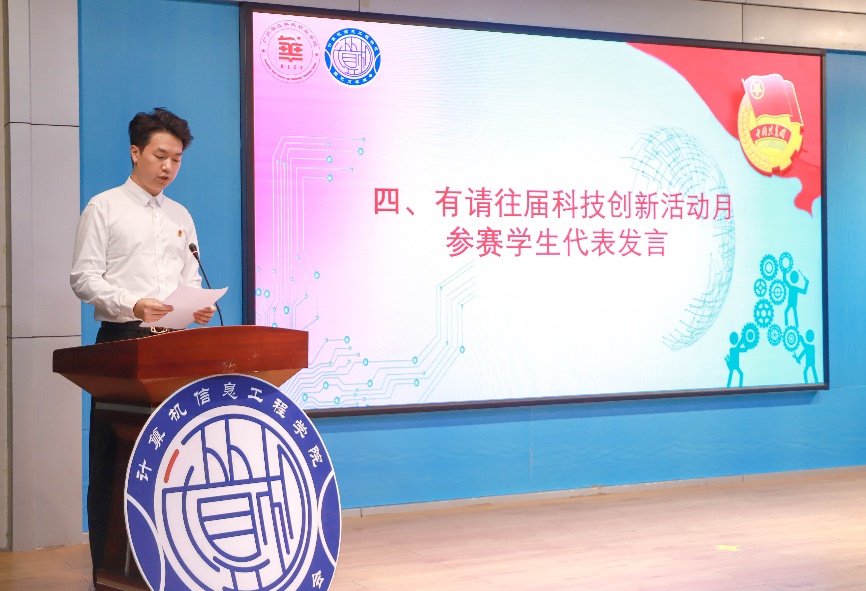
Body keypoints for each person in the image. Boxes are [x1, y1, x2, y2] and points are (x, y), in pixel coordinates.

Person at [70, 108, 215, 572]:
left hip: (172, 345)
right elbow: (83, 278)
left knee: (174, 454)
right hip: (122, 342)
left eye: (176, 159)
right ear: (136, 152)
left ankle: (172, 561)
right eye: (160, 156)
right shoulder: (104, 207)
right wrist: (132, 304)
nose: (168, 167)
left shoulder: (180, 215)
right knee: (117, 456)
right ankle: (111, 567)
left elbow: (189, 274)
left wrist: (196, 305)